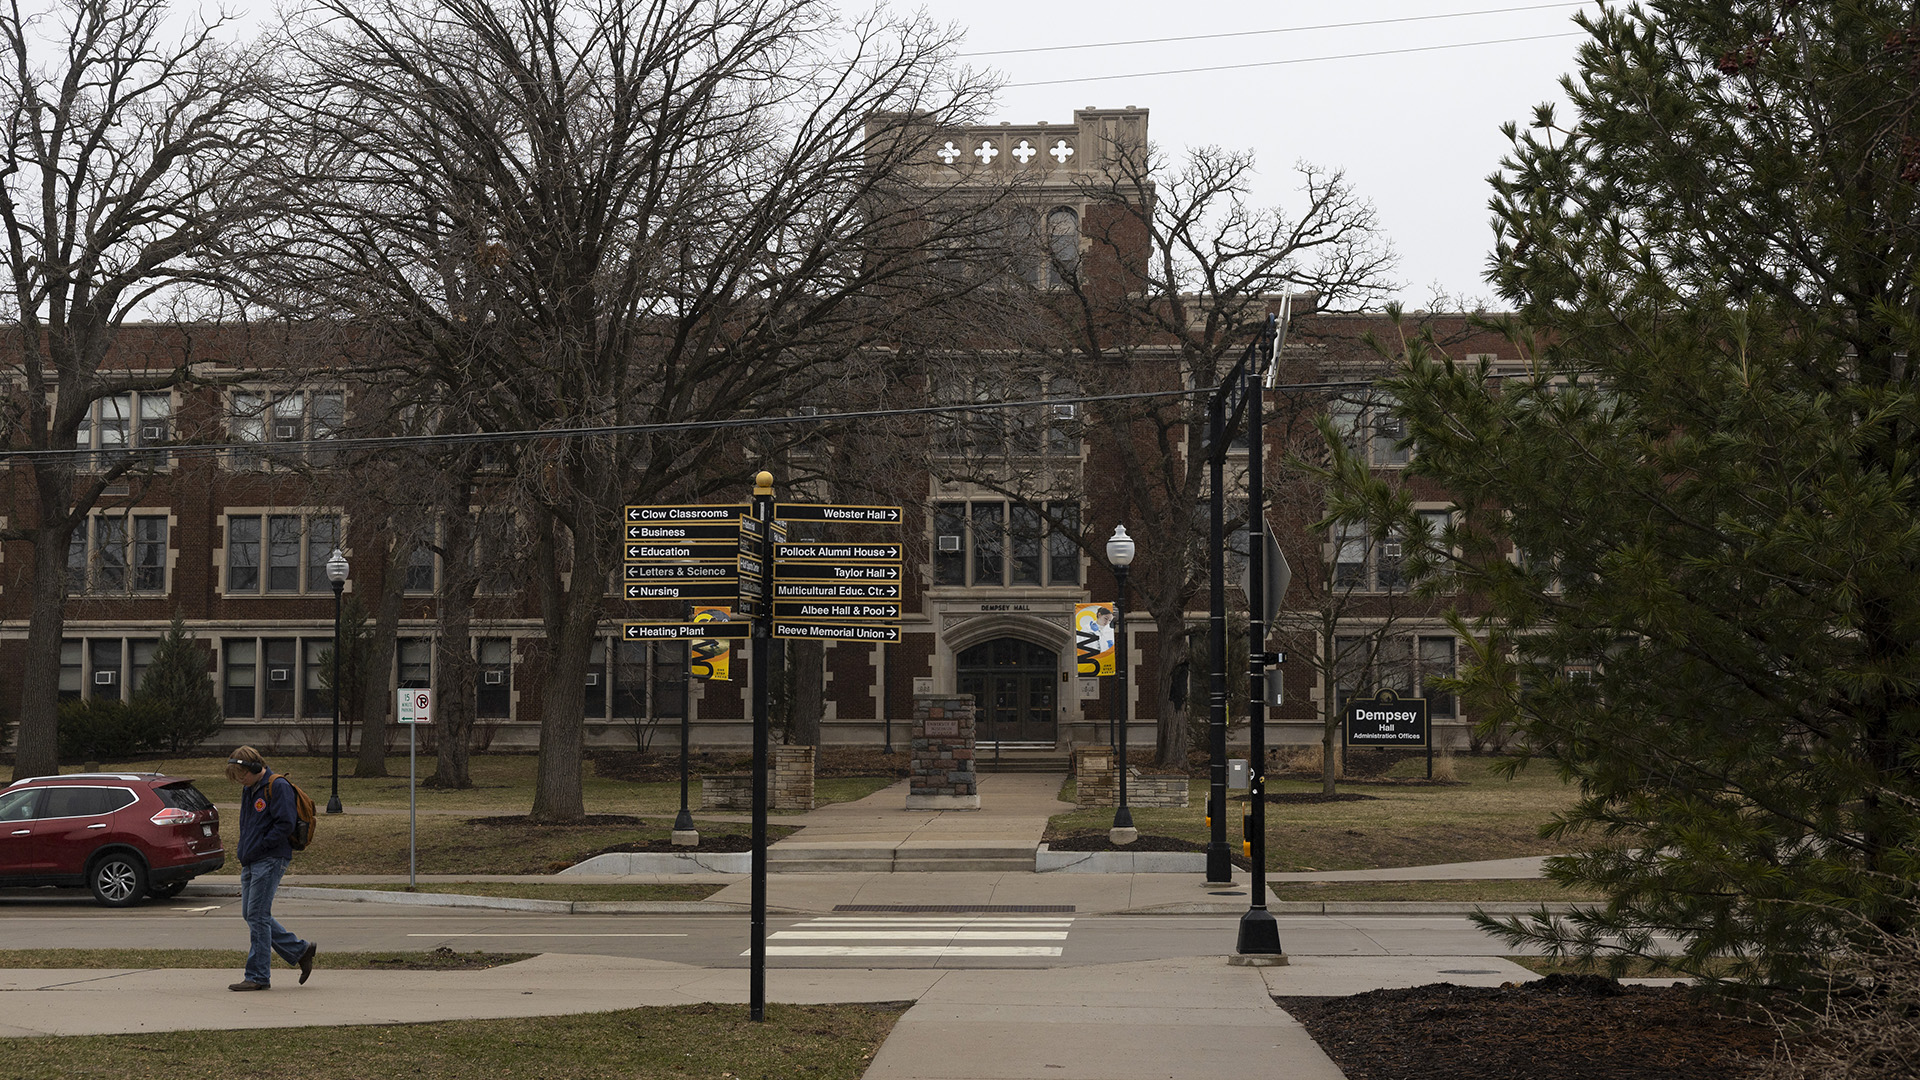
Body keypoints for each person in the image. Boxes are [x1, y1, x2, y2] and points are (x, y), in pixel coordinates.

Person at [225, 746, 316, 991]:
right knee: (251, 914)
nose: (241, 781)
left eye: (242, 775)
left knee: (257, 915)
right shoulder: (250, 789)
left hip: (270, 858)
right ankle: (301, 949)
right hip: (252, 859)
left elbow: (285, 824)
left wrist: (262, 847)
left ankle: (258, 976)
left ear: (255, 768)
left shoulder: (277, 786)